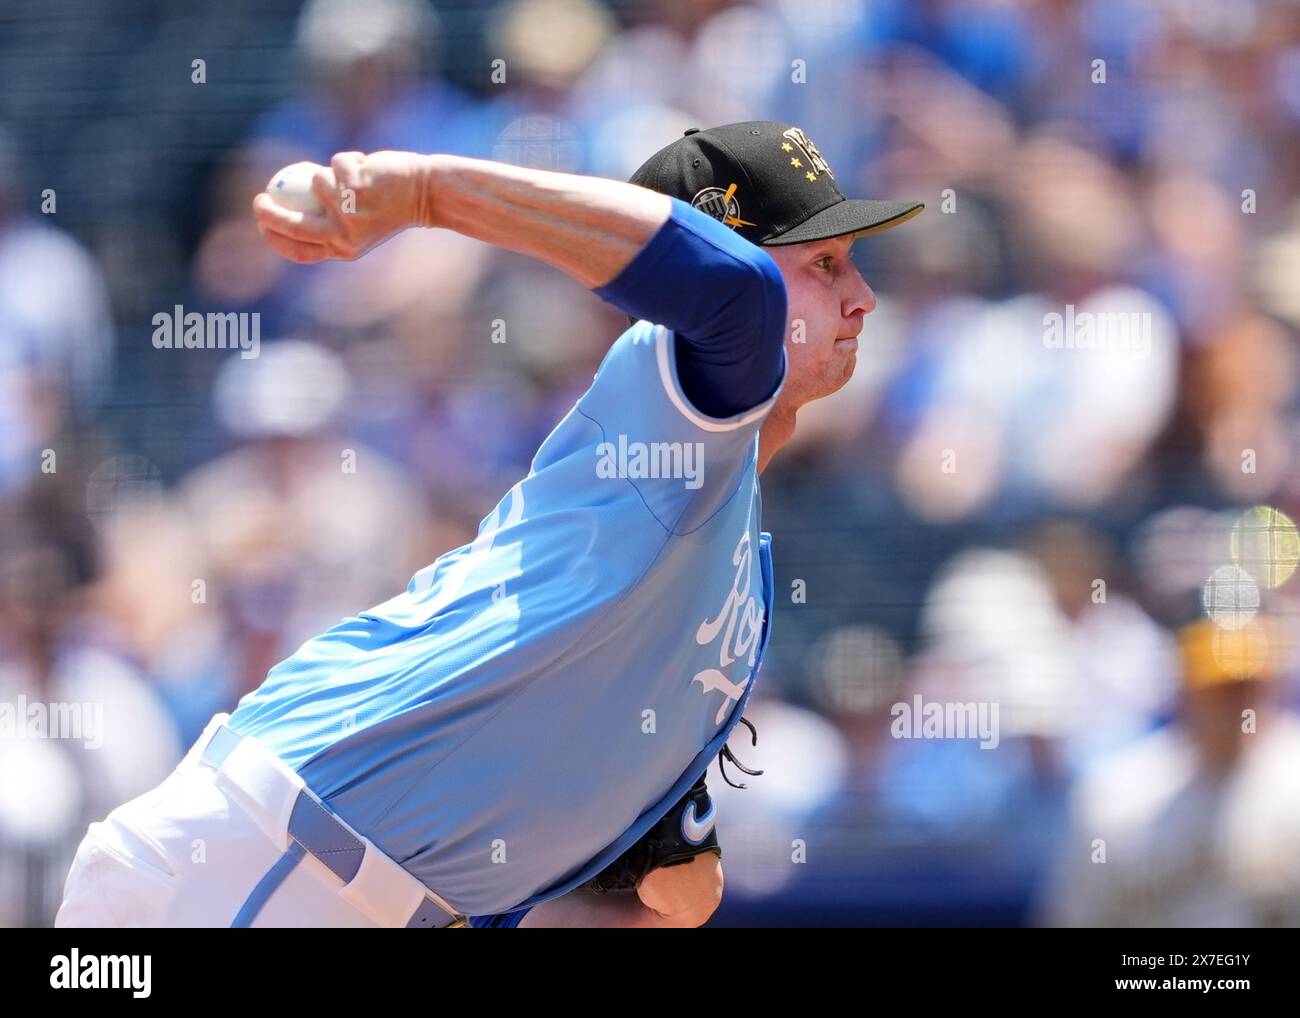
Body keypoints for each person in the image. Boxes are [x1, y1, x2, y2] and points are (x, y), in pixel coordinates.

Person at [55, 121, 922, 928]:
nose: (863, 298)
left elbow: (683, 891)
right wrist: (427, 194)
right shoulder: (671, 398)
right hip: (269, 860)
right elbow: (731, 292)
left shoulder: (719, 533)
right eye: (828, 264)